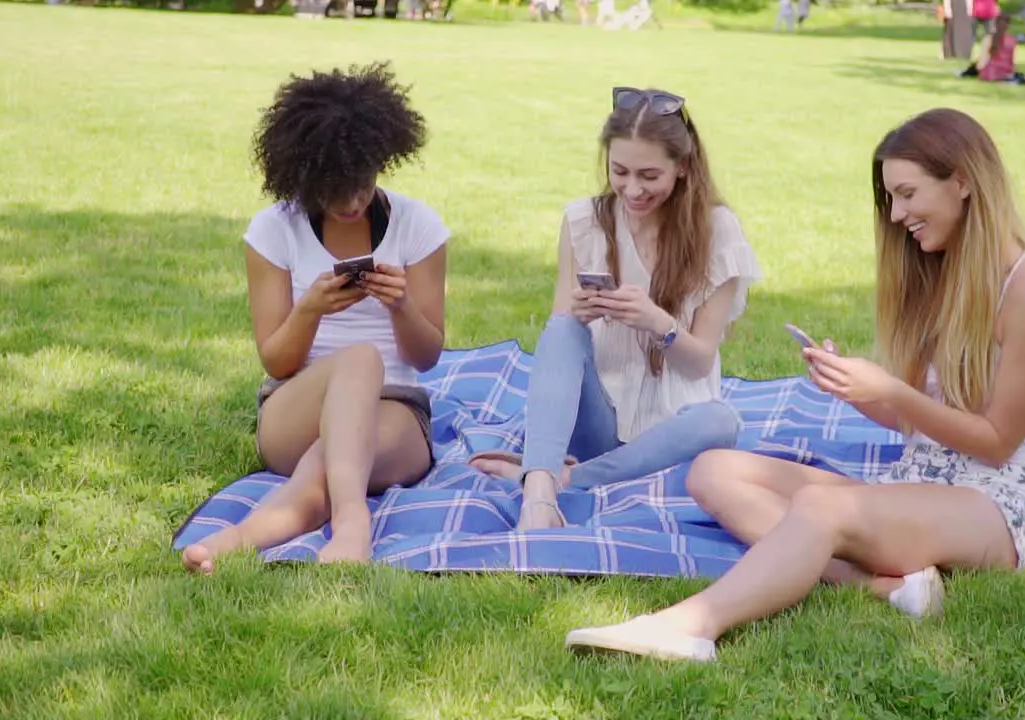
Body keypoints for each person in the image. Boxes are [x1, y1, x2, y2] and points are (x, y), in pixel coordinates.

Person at [565, 107, 1025, 662]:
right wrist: (854, 388)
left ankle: (690, 626)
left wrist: (893, 391)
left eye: (907, 193)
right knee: (712, 471)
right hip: (915, 481)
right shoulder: (941, 271)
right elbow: (914, 419)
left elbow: (997, 441)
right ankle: (884, 585)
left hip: (992, 506)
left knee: (819, 509)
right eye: (891, 198)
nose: (898, 214)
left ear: (964, 182)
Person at [181, 63, 450, 574]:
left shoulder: (419, 225)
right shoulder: (273, 230)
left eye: (364, 181)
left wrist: (401, 306)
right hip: (295, 407)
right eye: (337, 186)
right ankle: (354, 523)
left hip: (393, 412)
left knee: (324, 467)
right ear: (305, 175)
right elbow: (278, 362)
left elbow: (427, 356)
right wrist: (309, 310)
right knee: (359, 360)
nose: (353, 200)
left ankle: (233, 541)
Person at [470, 87, 761, 530]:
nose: (632, 189)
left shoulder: (717, 231)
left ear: (682, 168)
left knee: (722, 421)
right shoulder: (584, 221)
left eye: (649, 175)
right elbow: (560, 342)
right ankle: (540, 497)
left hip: (672, 430)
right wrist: (581, 312)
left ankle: (554, 478)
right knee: (562, 327)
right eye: (619, 171)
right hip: (596, 422)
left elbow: (701, 362)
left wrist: (657, 322)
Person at [960, 13, 1022, 82]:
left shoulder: (989, 39)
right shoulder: (1012, 40)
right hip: (1007, 74)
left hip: (990, 74)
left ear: (995, 23)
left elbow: (981, 64)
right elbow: (1013, 63)